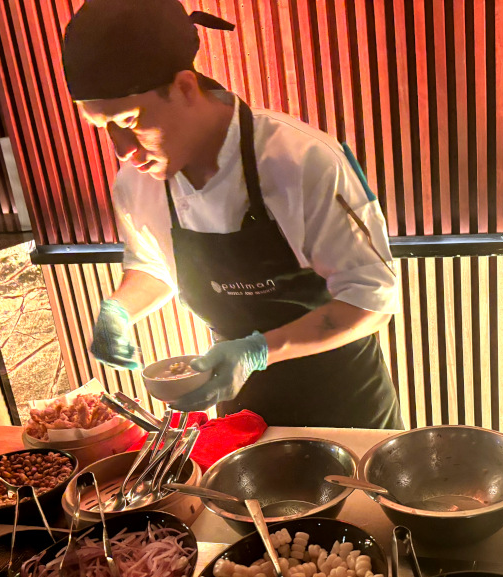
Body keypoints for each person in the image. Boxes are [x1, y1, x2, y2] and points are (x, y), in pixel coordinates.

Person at [61, 0, 403, 429]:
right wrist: (118, 309)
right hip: (240, 408)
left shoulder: (301, 161)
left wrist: (256, 351)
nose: (122, 149)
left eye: (130, 121)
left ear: (186, 87)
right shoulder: (136, 182)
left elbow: (371, 300)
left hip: (344, 404)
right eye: (104, 128)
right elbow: (155, 265)